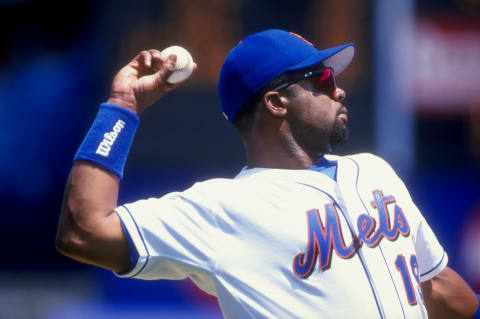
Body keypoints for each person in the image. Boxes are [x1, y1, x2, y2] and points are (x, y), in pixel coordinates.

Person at [56, 29, 479, 318]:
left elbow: (436, 288)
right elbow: (83, 231)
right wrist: (122, 107)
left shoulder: (375, 172)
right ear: (277, 103)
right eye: (324, 79)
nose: (339, 89)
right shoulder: (223, 208)